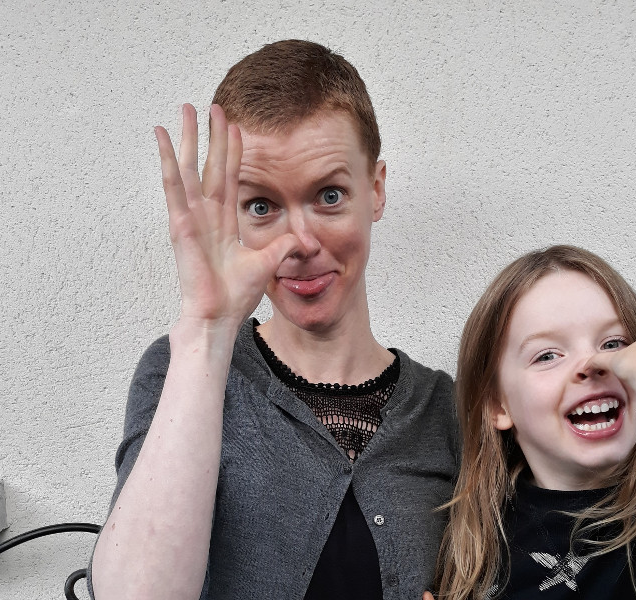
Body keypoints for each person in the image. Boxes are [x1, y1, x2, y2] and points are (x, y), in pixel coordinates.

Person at [89, 40, 459, 600]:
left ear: (375, 190)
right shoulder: (181, 371)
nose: (299, 243)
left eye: (329, 195)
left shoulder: (446, 411)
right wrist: (208, 331)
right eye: (261, 206)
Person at [427, 245, 636, 599]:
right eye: (548, 355)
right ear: (497, 404)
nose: (593, 362)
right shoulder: (474, 541)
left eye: (614, 342)